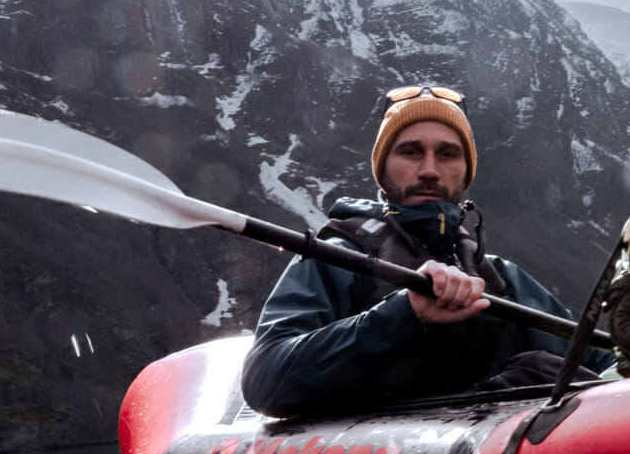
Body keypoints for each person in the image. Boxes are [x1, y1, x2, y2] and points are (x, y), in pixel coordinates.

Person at [240, 83, 611, 418]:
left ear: (465, 174)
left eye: (447, 154)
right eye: (411, 152)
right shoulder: (336, 259)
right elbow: (264, 380)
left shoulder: (499, 276)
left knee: (539, 367)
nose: (430, 169)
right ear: (383, 172)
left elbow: (599, 360)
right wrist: (404, 313)